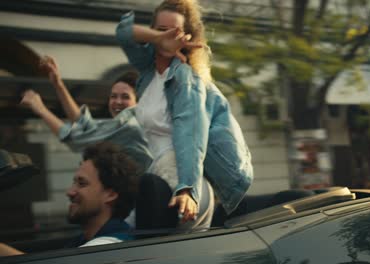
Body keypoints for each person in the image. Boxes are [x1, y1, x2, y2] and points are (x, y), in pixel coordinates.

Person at [116, 0, 254, 229]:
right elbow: (123, 33)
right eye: (161, 30)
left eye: (176, 31)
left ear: (187, 37)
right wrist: (157, 38)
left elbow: (191, 133)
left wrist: (187, 189)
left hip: (180, 183)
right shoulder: (149, 74)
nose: (168, 35)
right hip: (157, 175)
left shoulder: (186, 79)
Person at [0, 142, 139, 256]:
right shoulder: (84, 241)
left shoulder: (108, 249)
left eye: (82, 183)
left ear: (110, 195)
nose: (70, 192)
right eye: (74, 183)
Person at [20, 56, 153, 175]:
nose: (117, 102)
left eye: (125, 97)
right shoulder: (126, 125)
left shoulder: (131, 126)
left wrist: (40, 108)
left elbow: (76, 138)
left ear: (138, 102)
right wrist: (58, 84)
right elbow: (85, 125)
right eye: (113, 96)